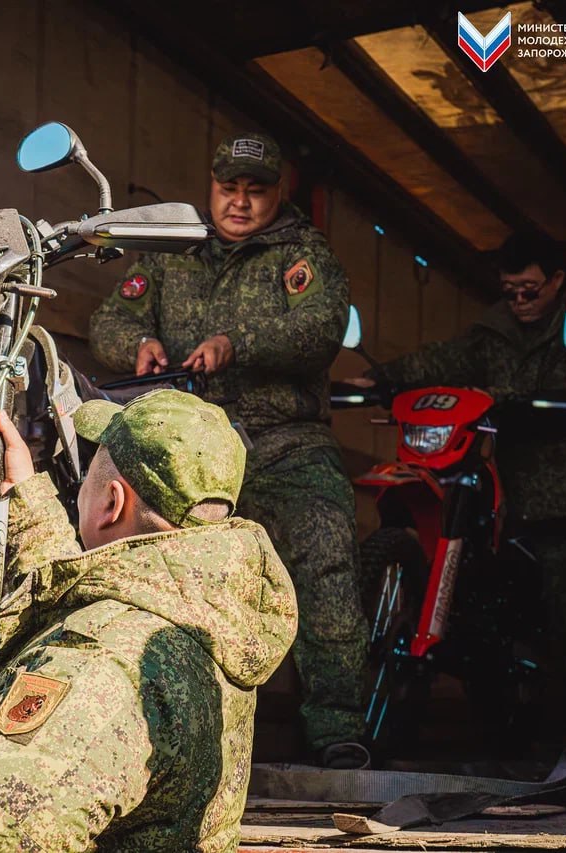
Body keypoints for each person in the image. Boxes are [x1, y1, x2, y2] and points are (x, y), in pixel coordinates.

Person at [0, 390, 298, 851]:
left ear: (112, 502)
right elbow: (108, 590)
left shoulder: (101, 661)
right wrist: (24, 494)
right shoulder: (201, 610)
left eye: (93, 468)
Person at [89, 131, 368, 766]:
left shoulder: (304, 254)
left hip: (286, 440)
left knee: (325, 552)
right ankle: (152, 731)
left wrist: (234, 341)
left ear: (280, 192)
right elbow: (111, 319)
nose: (239, 203)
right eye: (228, 189)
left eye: (255, 191)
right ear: (211, 186)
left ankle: (336, 728)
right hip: (194, 444)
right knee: (157, 569)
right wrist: (138, 346)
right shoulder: (173, 250)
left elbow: (320, 330)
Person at [342, 233, 566, 748]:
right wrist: (381, 378)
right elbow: (445, 359)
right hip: (540, 508)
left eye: (530, 290)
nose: (519, 301)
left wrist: (500, 396)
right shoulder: (495, 329)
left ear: (557, 281)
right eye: (510, 290)